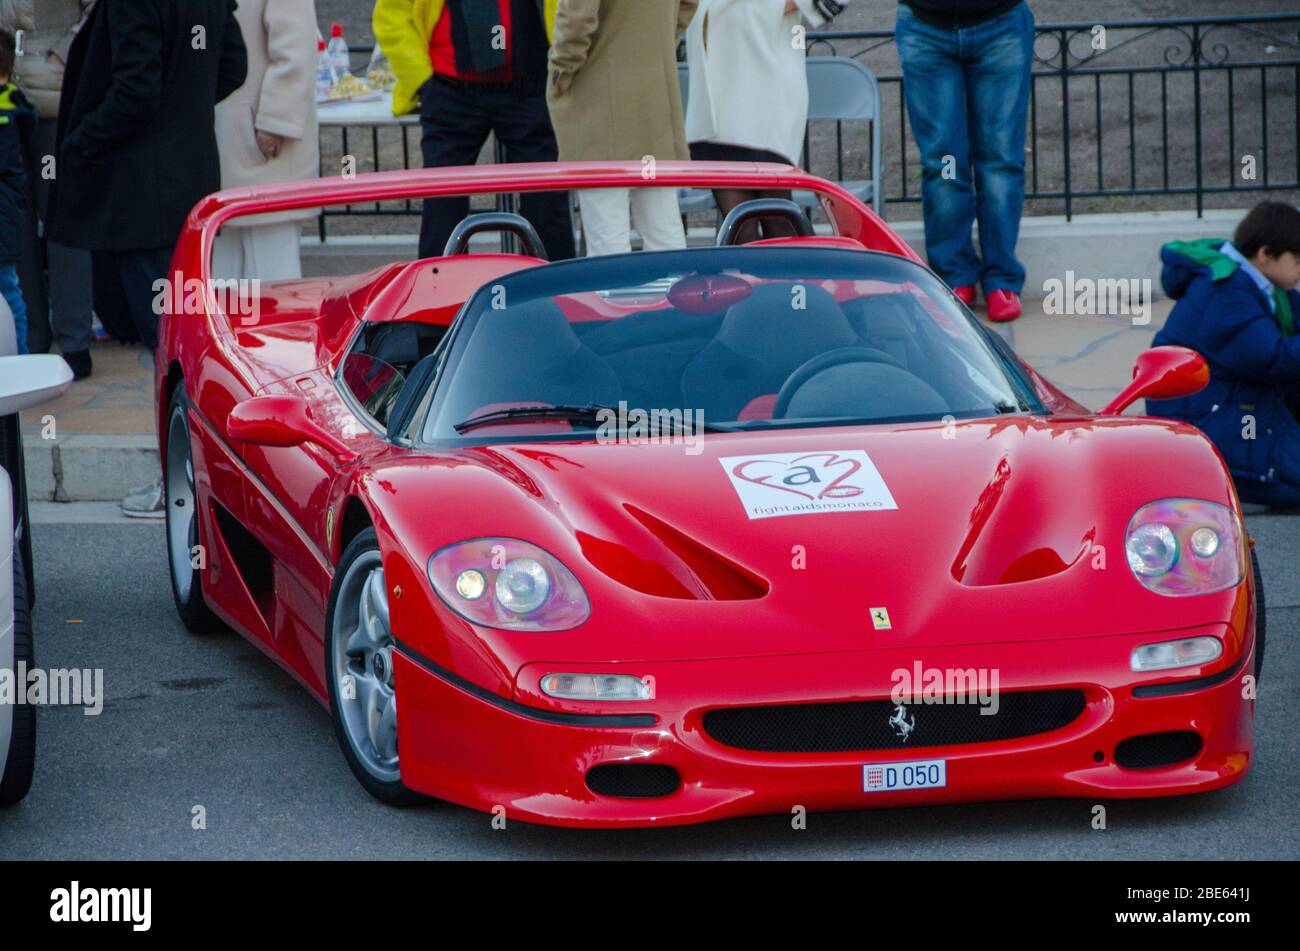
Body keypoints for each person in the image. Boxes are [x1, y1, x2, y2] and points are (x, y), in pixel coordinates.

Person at [46, 0, 246, 517]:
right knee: (187, 343)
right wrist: (185, 109)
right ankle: (198, 481)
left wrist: (79, 141)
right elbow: (231, 65)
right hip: (190, 180)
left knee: (168, 351)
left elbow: (136, 90)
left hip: (143, 197)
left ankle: (179, 484)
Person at [373, 0, 576, 262]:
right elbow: (391, 15)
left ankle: (552, 291)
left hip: (530, 85)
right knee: (443, 210)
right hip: (451, 89)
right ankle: (441, 294)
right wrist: (422, 80)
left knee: (547, 207)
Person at [1146, 202, 1300, 508]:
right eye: (1297, 259)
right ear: (1265, 254)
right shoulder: (1225, 292)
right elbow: (1274, 359)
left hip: (1233, 403)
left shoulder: (1256, 282)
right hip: (1206, 423)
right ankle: (1225, 477)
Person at [895, 0, 1033, 321]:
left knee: (1000, 160)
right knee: (942, 162)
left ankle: (1002, 280)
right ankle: (955, 276)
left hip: (1001, 23)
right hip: (924, 25)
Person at [685, 0, 851, 245]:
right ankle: (761, 283)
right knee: (738, 228)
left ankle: (811, 279)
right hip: (713, 95)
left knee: (778, 220)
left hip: (766, 89)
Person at [547, 0, 695, 257]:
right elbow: (688, 5)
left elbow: (577, 17)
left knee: (608, 236)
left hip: (597, 94)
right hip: (654, 91)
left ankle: (611, 298)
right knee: (662, 228)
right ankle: (672, 297)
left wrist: (559, 73)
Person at [0, 0, 96, 376]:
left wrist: (63, 54)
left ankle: (74, 339)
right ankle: (31, 336)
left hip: (53, 94)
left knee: (61, 216)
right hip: (7, 91)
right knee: (12, 218)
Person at [212, 0, 318, 282]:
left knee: (272, 277)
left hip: (260, 143)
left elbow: (296, 50)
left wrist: (274, 122)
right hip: (230, 138)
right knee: (223, 280)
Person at [0, 27, 35, 354]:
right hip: (9, 217)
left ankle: (19, 358)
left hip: (4, 220)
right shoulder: (17, 104)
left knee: (9, 293)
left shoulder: (8, 111)